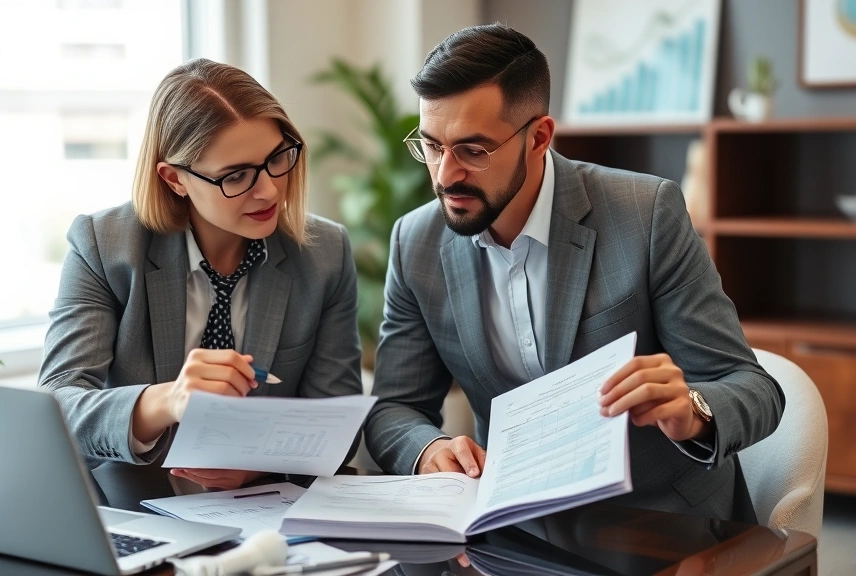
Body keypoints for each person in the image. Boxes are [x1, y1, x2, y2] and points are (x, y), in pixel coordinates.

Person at [364, 24, 784, 522]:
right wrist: (426, 448)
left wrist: (693, 408)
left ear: (538, 137)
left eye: (473, 151)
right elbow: (394, 409)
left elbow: (751, 387)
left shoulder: (645, 214)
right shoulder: (415, 242)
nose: (444, 174)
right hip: (511, 528)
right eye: (431, 145)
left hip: (659, 524)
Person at [40, 59, 363, 509]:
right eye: (236, 176)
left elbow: (337, 425)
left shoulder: (324, 252)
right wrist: (168, 400)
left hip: (266, 520)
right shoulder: (105, 246)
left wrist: (255, 462)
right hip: (132, 514)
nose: (269, 190)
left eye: (276, 159)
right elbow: (57, 404)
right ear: (174, 179)